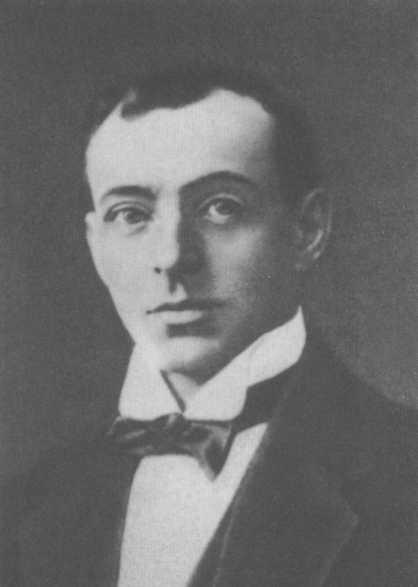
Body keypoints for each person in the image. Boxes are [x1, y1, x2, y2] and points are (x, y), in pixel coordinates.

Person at [2, 64, 417, 587]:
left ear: (307, 229)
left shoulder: (403, 472)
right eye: (131, 214)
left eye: (221, 207)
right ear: (95, 245)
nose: (172, 256)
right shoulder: (29, 503)